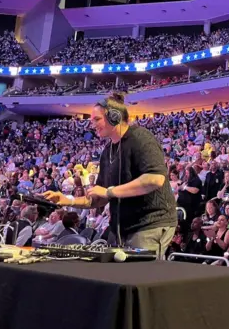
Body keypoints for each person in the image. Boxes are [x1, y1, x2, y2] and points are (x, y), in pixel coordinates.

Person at [43, 94, 177, 257]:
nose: (92, 125)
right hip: (122, 227)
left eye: (96, 119)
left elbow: (154, 179)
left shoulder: (141, 138)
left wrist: (109, 192)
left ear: (114, 117)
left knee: (138, 277)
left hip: (151, 223)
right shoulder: (108, 152)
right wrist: (67, 200)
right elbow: (99, 196)